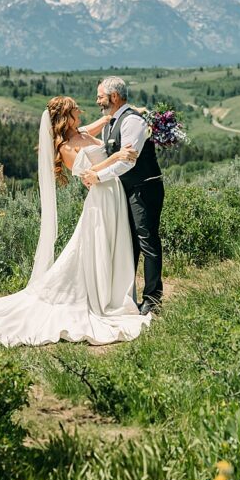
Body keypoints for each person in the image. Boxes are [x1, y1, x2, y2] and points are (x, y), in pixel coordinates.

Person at [0, 95, 149, 346]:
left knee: (113, 246)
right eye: (76, 110)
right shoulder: (65, 148)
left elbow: (106, 119)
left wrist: (133, 113)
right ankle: (99, 297)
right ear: (66, 117)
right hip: (101, 199)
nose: (81, 112)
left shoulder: (81, 131)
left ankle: (112, 293)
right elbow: (89, 174)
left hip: (113, 194)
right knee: (96, 247)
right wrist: (117, 157)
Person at [79, 76, 164, 315]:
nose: (97, 101)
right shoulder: (110, 122)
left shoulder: (132, 122)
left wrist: (99, 176)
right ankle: (127, 297)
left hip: (144, 188)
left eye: (100, 96)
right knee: (128, 244)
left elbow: (128, 162)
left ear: (114, 97)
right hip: (124, 191)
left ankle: (153, 299)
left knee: (147, 241)